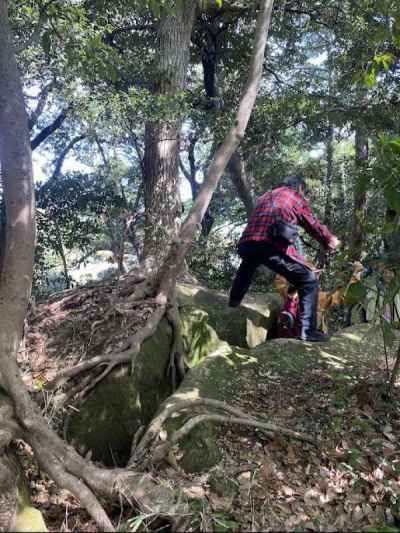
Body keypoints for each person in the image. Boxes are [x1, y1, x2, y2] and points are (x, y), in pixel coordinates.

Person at [228, 176, 341, 342]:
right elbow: (312, 224)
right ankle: (308, 331)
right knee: (308, 279)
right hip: (270, 244)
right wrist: (330, 241)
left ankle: (233, 302)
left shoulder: (265, 196)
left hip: (247, 243)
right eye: (304, 192)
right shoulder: (294, 197)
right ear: (299, 188)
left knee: (248, 264)